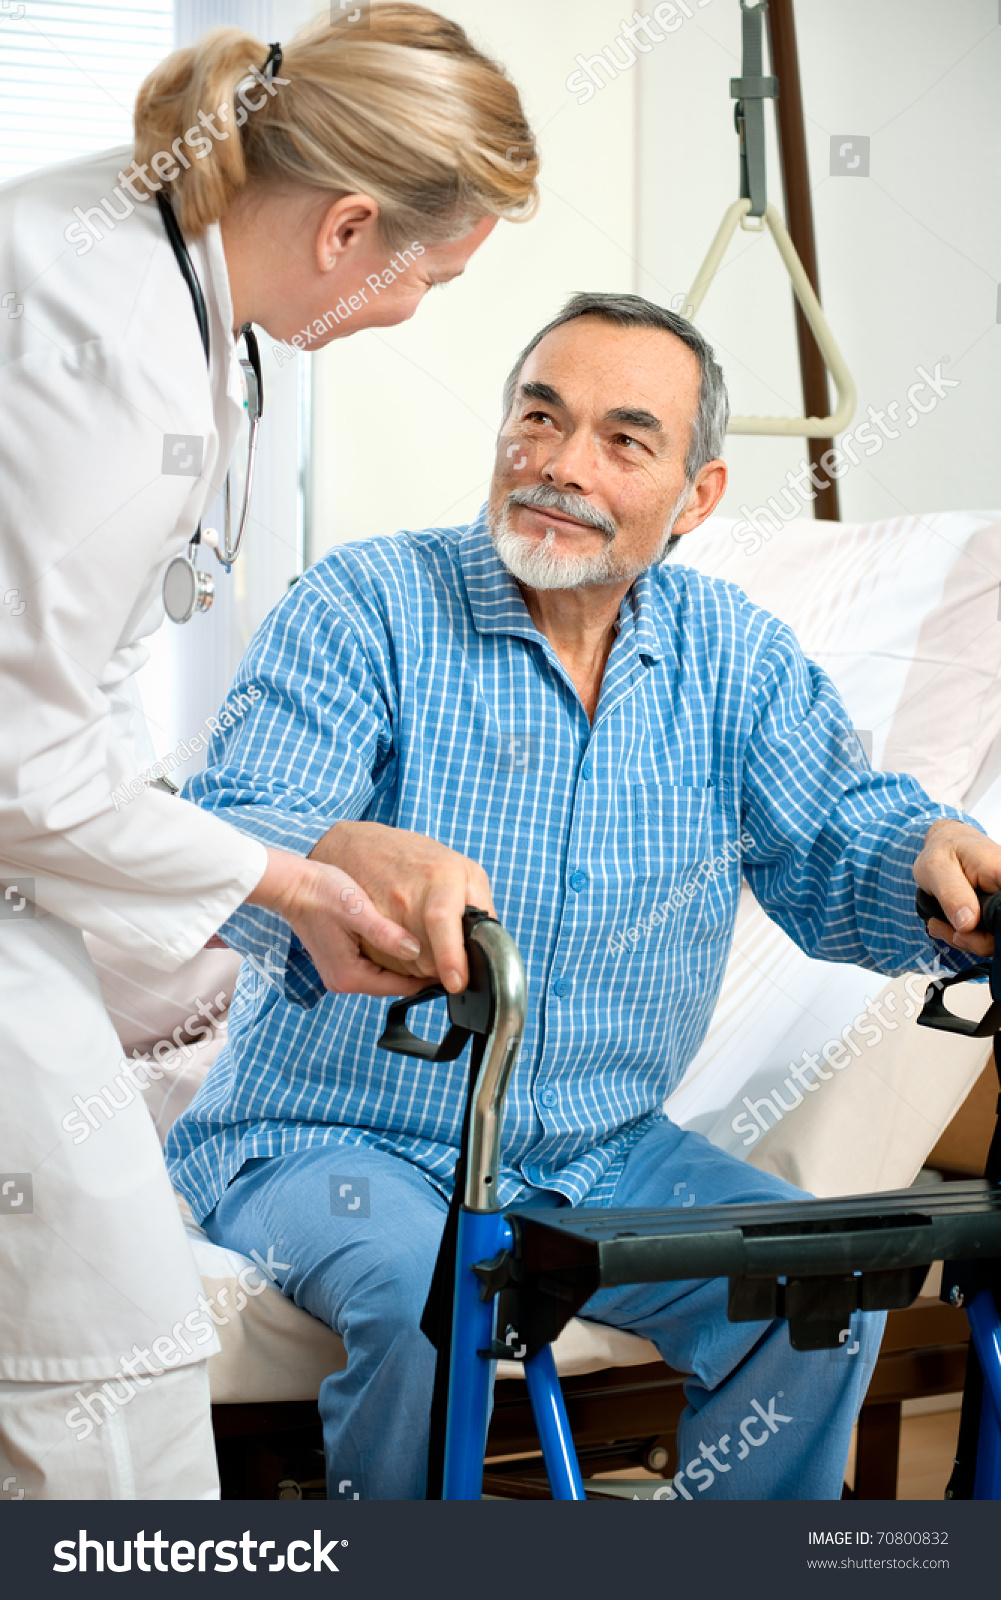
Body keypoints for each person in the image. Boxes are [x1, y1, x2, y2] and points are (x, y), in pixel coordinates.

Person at [166, 292, 1000, 1500]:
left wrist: (931, 868)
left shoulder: (735, 657)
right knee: (427, 1294)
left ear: (695, 497)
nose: (556, 465)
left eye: (623, 439)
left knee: (817, 1296)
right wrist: (341, 851)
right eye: (537, 416)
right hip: (332, 1138)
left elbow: (838, 836)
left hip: (601, 1151)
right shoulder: (365, 606)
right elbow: (231, 828)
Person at [0, 4, 537, 1500]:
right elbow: (23, 760)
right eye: (429, 279)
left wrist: (216, 906)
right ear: (352, 226)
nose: (413, 314)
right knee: (101, 1362)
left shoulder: (154, 283)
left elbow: (71, 688)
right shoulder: (101, 343)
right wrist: (286, 885)